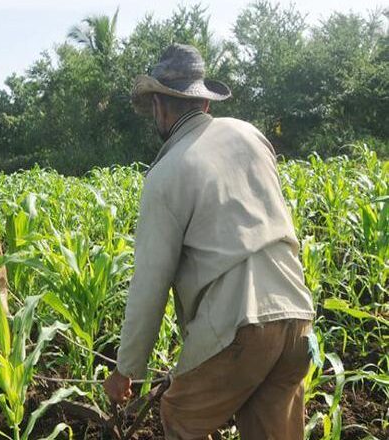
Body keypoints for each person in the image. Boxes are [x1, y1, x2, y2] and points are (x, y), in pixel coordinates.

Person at [103, 43, 316, 440]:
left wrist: (126, 370)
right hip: (296, 315)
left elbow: (150, 284)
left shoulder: (166, 174)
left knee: (182, 413)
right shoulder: (250, 136)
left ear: (160, 108)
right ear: (203, 103)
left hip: (242, 324)